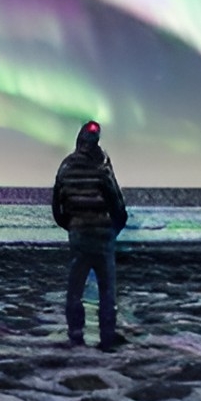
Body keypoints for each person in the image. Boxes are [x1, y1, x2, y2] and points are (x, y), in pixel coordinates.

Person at [51, 120, 128, 350]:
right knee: (107, 291)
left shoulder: (65, 166)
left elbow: (57, 207)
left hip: (79, 236)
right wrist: (115, 228)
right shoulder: (101, 164)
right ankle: (107, 337)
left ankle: (76, 336)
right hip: (102, 236)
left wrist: (72, 226)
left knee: (75, 289)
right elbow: (116, 202)